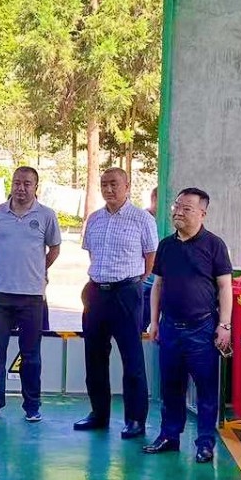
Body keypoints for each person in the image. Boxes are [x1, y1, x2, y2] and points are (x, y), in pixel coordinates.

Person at [143, 188, 233, 463]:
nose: (178, 212)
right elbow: (158, 285)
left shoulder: (214, 245)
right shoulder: (166, 245)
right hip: (170, 327)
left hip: (202, 329)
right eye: (176, 207)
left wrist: (225, 325)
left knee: (206, 389)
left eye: (187, 208)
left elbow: (225, 287)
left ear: (202, 213)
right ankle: (169, 436)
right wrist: (154, 321)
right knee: (170, 387)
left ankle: (205, 443)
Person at [75, 167, 158, 440]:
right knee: (94, 357)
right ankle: (99, 414)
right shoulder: (95, 219)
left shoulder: (142, 219)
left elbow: (151, 257)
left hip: (126, 293)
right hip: (96, 293)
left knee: (131, 359)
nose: (108, 189)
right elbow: (93, 255)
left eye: (114, 184)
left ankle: (135, 419)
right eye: (104, 184)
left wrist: (135, 284)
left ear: (127, 186)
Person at [0, 166, 62, 423]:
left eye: (27, 183)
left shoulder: (46, 215)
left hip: (32, 297)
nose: (21, 188)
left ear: (36, 187)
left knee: (31, 355)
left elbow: (54, 249)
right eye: (17, 182)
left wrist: (37, 270)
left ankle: (32, 406)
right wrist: (5, 267)